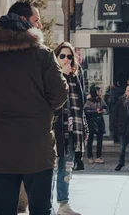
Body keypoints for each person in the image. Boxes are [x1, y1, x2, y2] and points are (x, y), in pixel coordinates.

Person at [0, 0, 68, 215]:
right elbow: (59, 95)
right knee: (40, 209)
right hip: (37, 147)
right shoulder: (43, 55)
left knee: (2, 210)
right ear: (23, 20)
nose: (39, 25)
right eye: (36, 20)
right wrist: (41, 111)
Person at [52, 42, 86, 215]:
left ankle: (63, 204)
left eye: (69, 56)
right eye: (62, 56)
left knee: (67, 168)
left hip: (73, 130)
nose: (66, 59)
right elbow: (53, 100)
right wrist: (61, 77)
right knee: (52, 168)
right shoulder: (51, 75)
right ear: (56, 57)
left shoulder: (76, 77)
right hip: (55, 129)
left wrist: (84, 128)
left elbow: (80, 105)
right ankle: (48, 206)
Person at [84, 84, 109, 164]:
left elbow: (106, 108)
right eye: (98, 90)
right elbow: (86, 111)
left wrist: (102, 111)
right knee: (90, 141)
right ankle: (90, 157)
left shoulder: (100, 100)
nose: (99, 92)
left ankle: (98, 157)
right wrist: (95, 112)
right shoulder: (88, 100)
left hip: (99, 122)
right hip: (90, 122)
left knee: (99, 141)